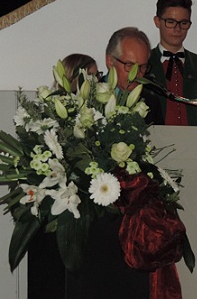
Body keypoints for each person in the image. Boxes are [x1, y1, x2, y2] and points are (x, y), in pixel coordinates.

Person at [65, 27, 164, 299]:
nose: (136, 75)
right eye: (129, 66)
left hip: (132, 224)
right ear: (110, 61)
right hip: (93, 223)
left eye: (143, 68)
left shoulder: (150, 102)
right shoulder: (86, 98)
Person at [147, 0, 197, 126]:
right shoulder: (144, 63)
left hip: (196, 138)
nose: (177, 29)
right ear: (157, 21)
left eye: (184, 23)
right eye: (170, 22)